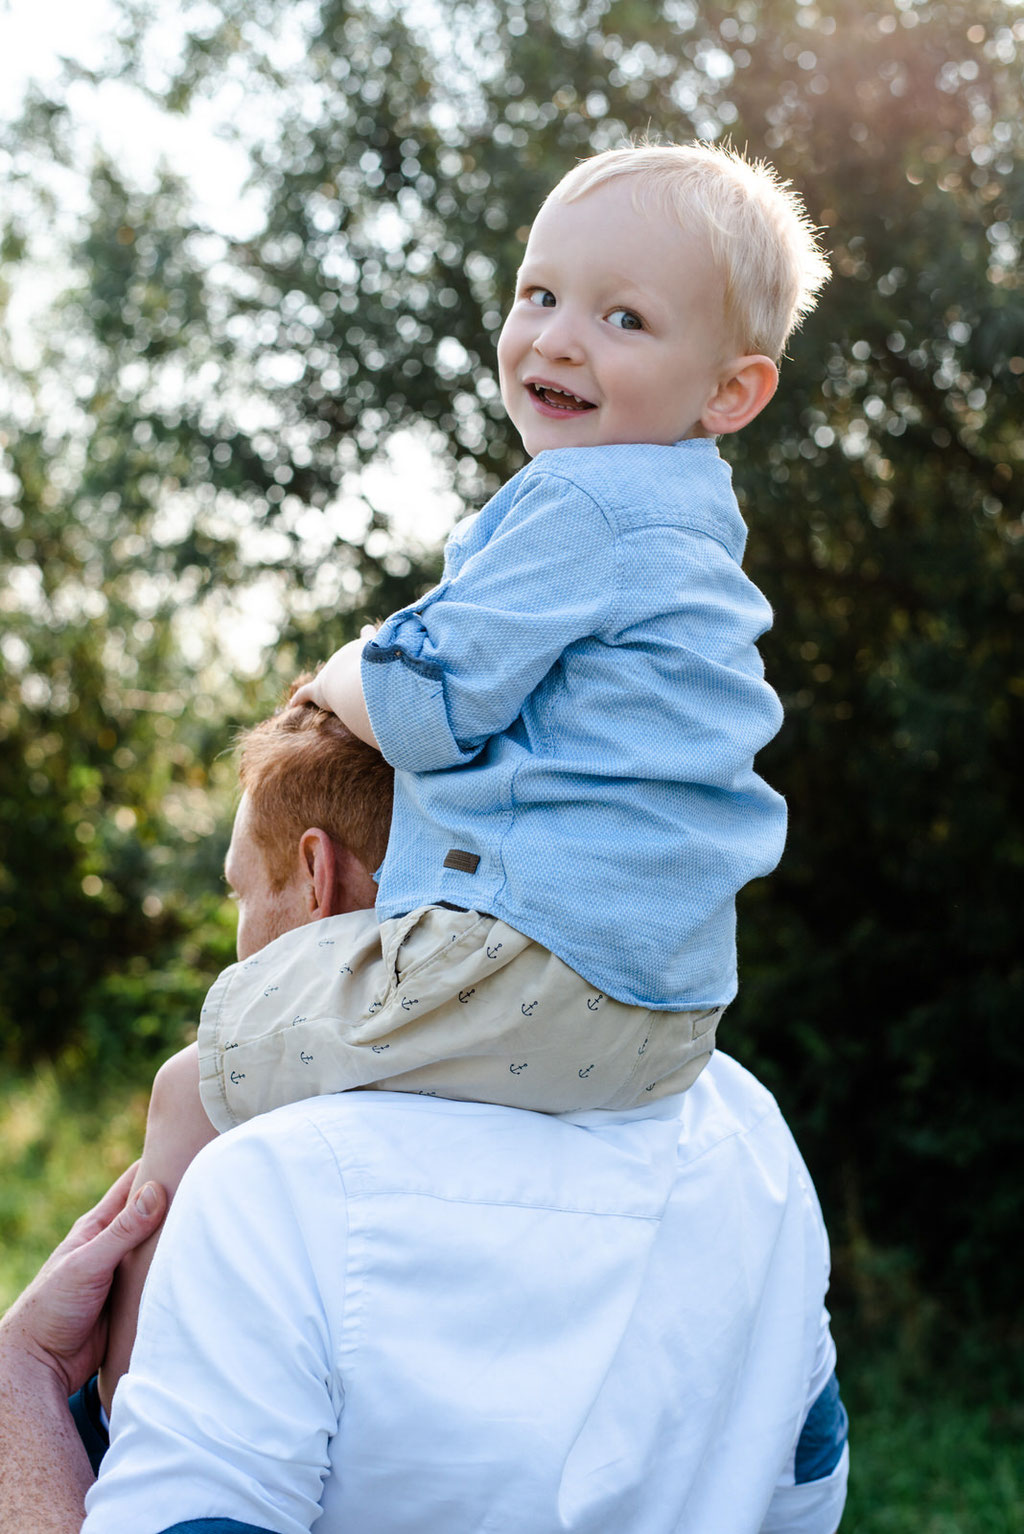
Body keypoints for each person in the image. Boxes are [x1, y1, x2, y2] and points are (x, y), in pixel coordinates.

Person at [102, 140, 832, 1402]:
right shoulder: (694, 524)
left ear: (731, 391)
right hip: (666, 1010)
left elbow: (424, 700)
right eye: (538, 294)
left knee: (193, 1083)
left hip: (531, 958)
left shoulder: (584, 506)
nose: (556, 338)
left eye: (623, 316)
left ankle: (112, 1408)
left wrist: (339, 669)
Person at [2, 695, 849, 1532]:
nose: (237, 931)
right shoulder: (744, 1122)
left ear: (315, 875)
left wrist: (24, 1384)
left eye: (237, 894)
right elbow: (804, 1486)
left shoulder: (268, 1190)